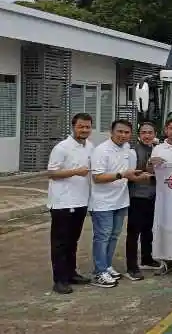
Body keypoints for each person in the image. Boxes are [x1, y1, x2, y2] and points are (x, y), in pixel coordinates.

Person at [90, 120, 152, 289]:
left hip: (120, 201)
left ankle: (107, 266)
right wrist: (121, 175)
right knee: (102, 237)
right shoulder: (101, 150)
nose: (123, 135)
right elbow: (97, 177)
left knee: (113, 236)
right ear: (111, 132)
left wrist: (143, 177)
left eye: (126, 132)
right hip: (102, 203)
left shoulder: (126, 149)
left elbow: (129, 175)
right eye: (120, 131)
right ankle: (99, 272)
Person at [47, 113, 95, 294]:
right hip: (63, 203)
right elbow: (52, 173)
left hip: (81, 200)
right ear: (73, 127)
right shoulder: (62, 148)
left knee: (73, 241)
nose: (84, 130)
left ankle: (71, 273)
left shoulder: (90, 146)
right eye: (81, 126)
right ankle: (59, 280)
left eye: (87, 127)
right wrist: (75, 172)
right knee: (60, 243)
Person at [149, 117, 172, 275]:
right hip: (163, 196)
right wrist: (152, 163)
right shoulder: (158, 149)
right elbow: (150, 170)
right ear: (166, 130)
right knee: (163, 228)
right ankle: (164, 261)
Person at [124, 122, 160, 281]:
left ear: (155, 134)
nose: (147, 135)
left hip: (153, 195)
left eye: (150, 132)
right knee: (134, 232)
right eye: (144, 132)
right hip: (137, 195)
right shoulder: (133, 152)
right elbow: (130, 174)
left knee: (148, 229)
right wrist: (146, 172)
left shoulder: (157, 149)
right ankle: (131, 267)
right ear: (139, 135)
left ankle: (147, 258)